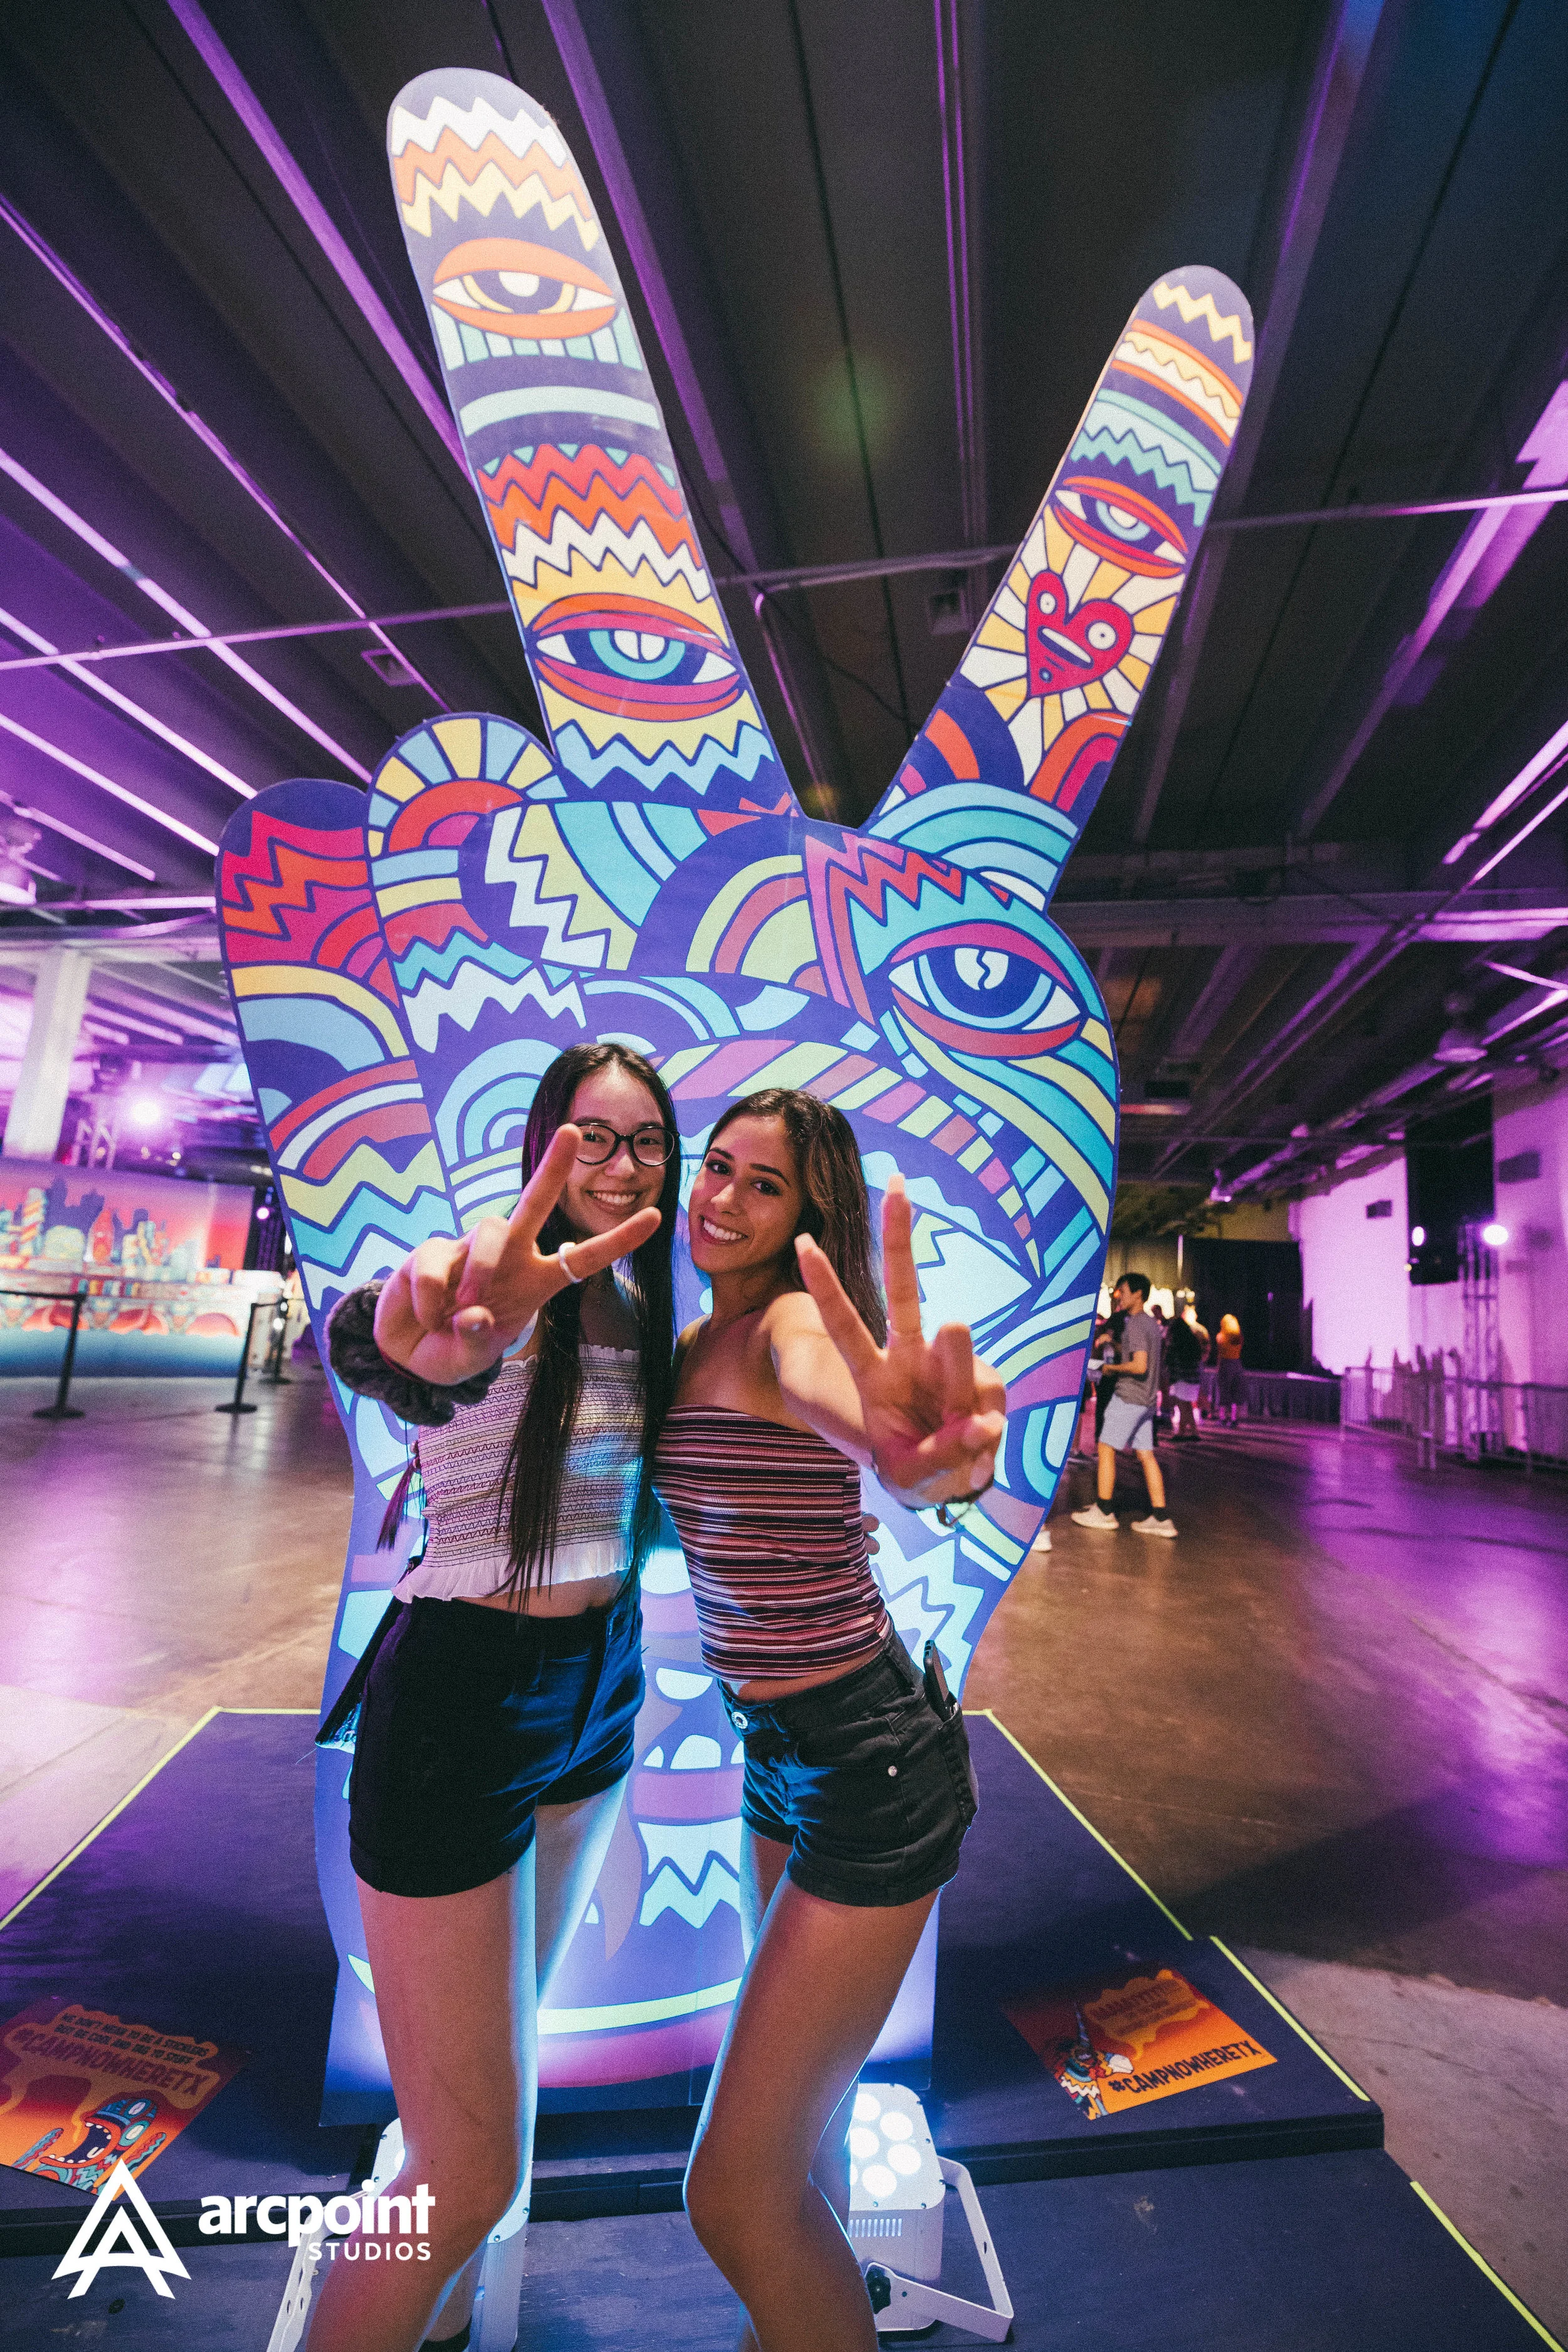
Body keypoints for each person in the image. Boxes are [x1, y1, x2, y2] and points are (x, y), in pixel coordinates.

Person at [311, 1042, 674, 2352]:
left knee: (498, 2090)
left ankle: (447, 2323)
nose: (619, 1164)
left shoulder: (647, 1303)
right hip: (462, 1700)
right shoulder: (493, 1274)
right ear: (544, 1146)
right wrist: (405, 1331)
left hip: (601, 1689)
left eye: (644, 1140)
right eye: (592, 1136)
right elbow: (397, 1329)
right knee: (461, 2170)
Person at [654, 1088, 1003, 2352]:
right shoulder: (692, 1339)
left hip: (871, 1766)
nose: (723, 1198)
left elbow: (846, 1404)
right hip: (780, 1755)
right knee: (789, 2144)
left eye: (765, 1185)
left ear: (810, 1216)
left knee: (728, 2191)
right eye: (718, 1167)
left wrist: (918, 1456)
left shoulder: (788, 1327)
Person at [1070, 1271, 1175, 1536]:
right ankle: (1161, 1518)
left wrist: (1110, 1369)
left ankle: (1104, 1511)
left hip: (1129, 1397)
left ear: (1138, 1294)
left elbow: (1139, 1366)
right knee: (1146, 1455)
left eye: (1123, 1291)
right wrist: (1116, 1345)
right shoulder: (1150, 1324)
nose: (1119, 1296)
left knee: (1105, 1448)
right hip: (1147, 1401)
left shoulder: (1137, 1324)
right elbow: (1142, 1356)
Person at [1165, 1296, 1208, 1440]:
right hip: (1192, 1379)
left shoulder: (1176, 1344)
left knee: (1184, 1406)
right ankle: (1185, 1432)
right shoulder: (1191, 1341)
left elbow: (1170, 1362)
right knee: (1186, 1405)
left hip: (1181, 1379)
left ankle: (1192, 1433)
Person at [1216, 1311, 1246, 1424]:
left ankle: (1223, 1417)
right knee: (1235, 1391)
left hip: (1225, 1363)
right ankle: (1234, 1418)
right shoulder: (1239, 1337)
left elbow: (1220, 1354)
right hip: (1237, 1363)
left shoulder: (1221, 1337)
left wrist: (1218, 1367)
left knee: (1224, 1391)